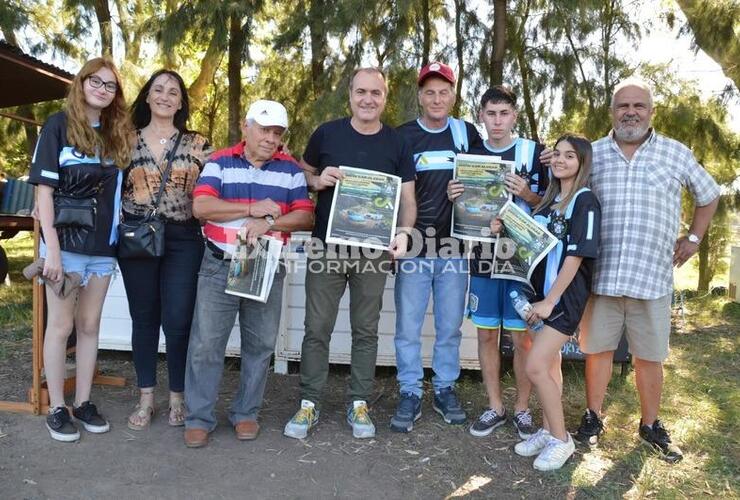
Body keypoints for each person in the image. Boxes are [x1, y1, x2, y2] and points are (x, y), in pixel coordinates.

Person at [573, 78, 720, 463]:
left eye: (639, 106)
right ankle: (593, 417)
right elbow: (566, 191)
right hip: (601, 276)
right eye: (623, 106)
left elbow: (709, 194)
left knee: (650, 356)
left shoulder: (676, 153)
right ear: (612, 112)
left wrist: (693, 238)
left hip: (652, 276)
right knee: (597, 351)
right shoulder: (594, 154)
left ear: (651, 112)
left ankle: (650, 425)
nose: (631, 112)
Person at [283, 67, 416, 440]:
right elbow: (302, 173)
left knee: (366, 331)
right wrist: (316, 180)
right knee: (317, 328)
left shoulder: (397, 143)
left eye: (376, 93)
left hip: (373, 253)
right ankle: (309, 403)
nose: (368, 99)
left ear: (385, 98)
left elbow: (408, 199)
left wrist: (404, 234)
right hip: (328, 248)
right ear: (350, 95)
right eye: (361, 92)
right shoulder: (327, 133)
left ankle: (359, 402)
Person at [182, 99, 314, 448]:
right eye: (265, 129)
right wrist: (250, 208)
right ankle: (199, 417)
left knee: (260, 345)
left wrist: (269, 220)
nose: (271, 138)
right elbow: (201, 207)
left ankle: (246, 414)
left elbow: (305, 216)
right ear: (247, 126)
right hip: (218, 264)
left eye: (277, 132)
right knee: (207, 344)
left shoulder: (289, 170)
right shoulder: (220, 161)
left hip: (266, 265)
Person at [28, 57, 131, 442]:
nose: (103, 90)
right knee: (61, 326)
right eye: (96, 82)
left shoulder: (115, 134)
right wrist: (50, 251)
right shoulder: (57, 126)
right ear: (82, 82)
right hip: (65, 247)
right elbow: (44, 191)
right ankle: (57, 407)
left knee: (90, 326)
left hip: (103, 247)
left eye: (110, 86)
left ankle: (84, 402)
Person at [493, 133, 601, 471]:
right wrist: (502, 227)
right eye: (557, 154)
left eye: (570, 156)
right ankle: (547, 428)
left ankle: (562, 440)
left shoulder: (584, 201)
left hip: (563, 300)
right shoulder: (549, 203)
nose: (560, 161)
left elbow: (577, 257)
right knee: (550, 368)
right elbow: (530, 245)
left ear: (582, 163)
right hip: (539, 297)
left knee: (535, 366)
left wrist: (551, 300)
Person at [447, 86, 548, 439]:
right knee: (487, 334)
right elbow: (461, 211)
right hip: (483, 257)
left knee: (522, 338)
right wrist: (453, 197)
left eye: (504, 113)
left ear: (514, 116)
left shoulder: (533, 153)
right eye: (491, 114)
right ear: (481, 116)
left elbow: (551, 206)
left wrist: (528, 194)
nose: (497, 121)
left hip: (522, 260)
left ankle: (521, 408)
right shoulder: (470, 155)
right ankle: (495, 406)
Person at [390, 62, 483, 433]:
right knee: (408, 329)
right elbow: (392, 189)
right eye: (429, 91)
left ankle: (445, 388)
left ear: (453, 94)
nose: (437, 98)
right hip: (414, 248)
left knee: (449, 328)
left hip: (454, 249)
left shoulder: (465, 133)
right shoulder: (402, 137)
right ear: (419, 96)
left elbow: (487, 174)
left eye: (444, 91)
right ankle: (410, 391)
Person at [118, 70, 212, 430]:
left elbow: (220, 184)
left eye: (173, 91)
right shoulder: (123, 141)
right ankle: (146, 399)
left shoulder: (198, 143)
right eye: (158, 89)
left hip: (184, 239)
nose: (165, 96)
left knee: (177, 319)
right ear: (147, 96)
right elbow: (107, 190)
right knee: (144, 318)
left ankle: (177, 396)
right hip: (137, 236)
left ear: (181, 102)